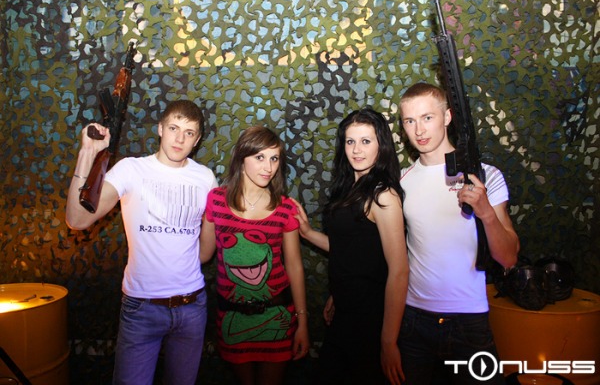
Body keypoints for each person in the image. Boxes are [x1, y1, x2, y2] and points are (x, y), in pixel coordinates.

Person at [66, 100, 217, 385]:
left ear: (197, 140)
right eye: (173, 128)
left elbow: (205, 253)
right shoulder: (131, 170)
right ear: (160, 129)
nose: (180, 138)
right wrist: (87, 153)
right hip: (142, 308)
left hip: (192, 308)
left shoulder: (206, 178)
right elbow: (77, 219)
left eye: (189, 132)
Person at [397, 82, 520, 384]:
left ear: (448, 117)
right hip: (413, 320)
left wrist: (486, 212)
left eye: (427, 117)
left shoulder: (485, 175)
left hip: (469, 321)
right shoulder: (401, 181)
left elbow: (508, 258)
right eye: (410, 121)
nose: (419, 130)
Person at [293, 108, 409, 385]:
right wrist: (307, 233)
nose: (356, 150)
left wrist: (388, 341)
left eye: (366, 141)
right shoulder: (350, 188)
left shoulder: (383, 195)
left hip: (369, 319)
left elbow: (399, 271)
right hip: (345, 312)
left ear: (381, 145)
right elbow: (351, 250)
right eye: (350, 141)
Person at [199, 126, 310, 385]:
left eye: (274, 158)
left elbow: (294, 267)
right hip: (232, 318)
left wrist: (302, 323)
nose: (268, 167)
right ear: (241, 157)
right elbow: (203, 254)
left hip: (277, 316)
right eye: (260, 157)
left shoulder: (285, 208)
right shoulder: (216, 200)